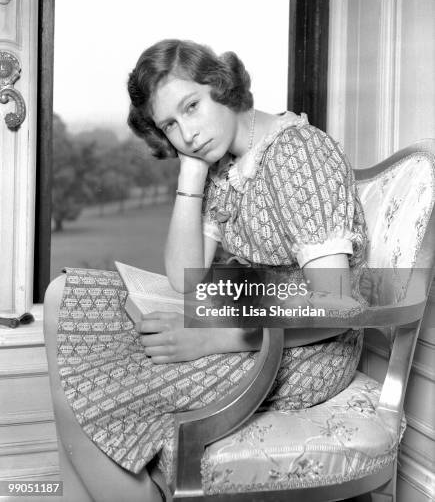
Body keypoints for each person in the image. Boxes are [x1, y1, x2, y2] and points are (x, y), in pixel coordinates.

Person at [45, 39, 367, 502]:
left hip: (308, 350)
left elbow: (334, 304)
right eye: (170, 125)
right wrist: (190, 176)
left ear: (222, 86)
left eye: (191, 106)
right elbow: (183, 277)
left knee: (100, 390)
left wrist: (212, 336)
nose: (187, 134)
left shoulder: (299, 153)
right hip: (241, 315)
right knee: (63, 298)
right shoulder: (225, 166)